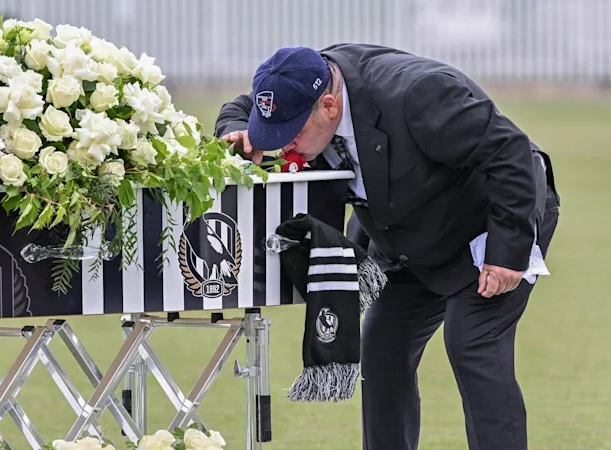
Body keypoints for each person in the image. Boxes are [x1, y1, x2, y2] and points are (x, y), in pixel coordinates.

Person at [214, 44, 560, 450]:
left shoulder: (421, 94)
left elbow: (509, 152)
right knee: (382, 350)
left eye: (292, 131)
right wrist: (237, 131)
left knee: (472, 343)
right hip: (408, 233)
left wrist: (507, 252)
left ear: (329, 106)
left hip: (490, 221)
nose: (283, 144)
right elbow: (241, 107)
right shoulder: (297, 80)